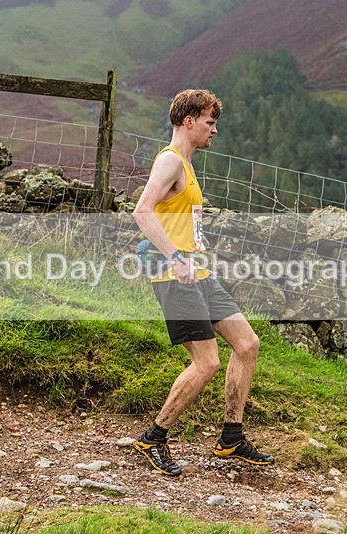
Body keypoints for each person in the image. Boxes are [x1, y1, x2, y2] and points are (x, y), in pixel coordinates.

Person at [131, 89, 275, 476]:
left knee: (247, 344)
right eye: (210, 122)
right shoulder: (170, 161)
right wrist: (175, 257)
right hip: (175, 277)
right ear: (189, 120)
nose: (215, 130)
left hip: (199, 275)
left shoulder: (187, 164)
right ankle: (153, 438)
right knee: (206, 362)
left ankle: (232, 437)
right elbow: (142, 211)